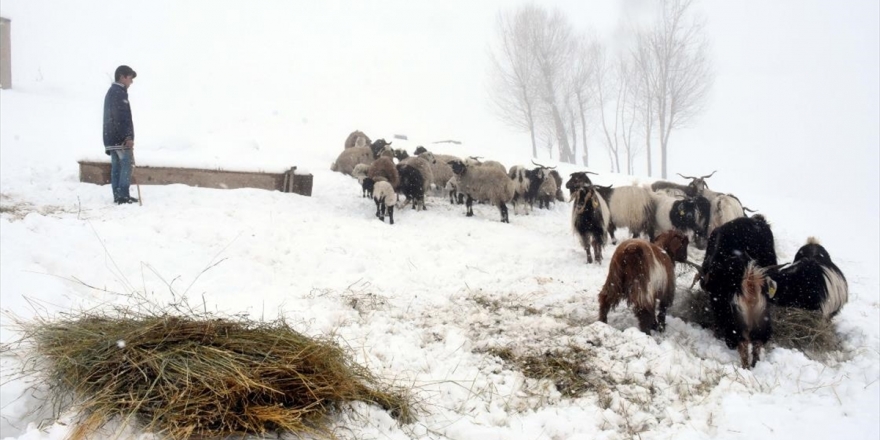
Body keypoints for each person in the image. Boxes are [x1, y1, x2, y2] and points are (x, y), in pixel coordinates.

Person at [103, 65, 138, 204]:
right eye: (130, 78)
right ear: (122, 77)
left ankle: (118, 195)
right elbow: (121, 118)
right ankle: (123, 195)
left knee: (116, 166)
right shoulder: (119, 92)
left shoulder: (112, 92)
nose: (131, 82)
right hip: (120, 139)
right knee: (126, 165)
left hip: (111, 137)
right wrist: (127, 137)